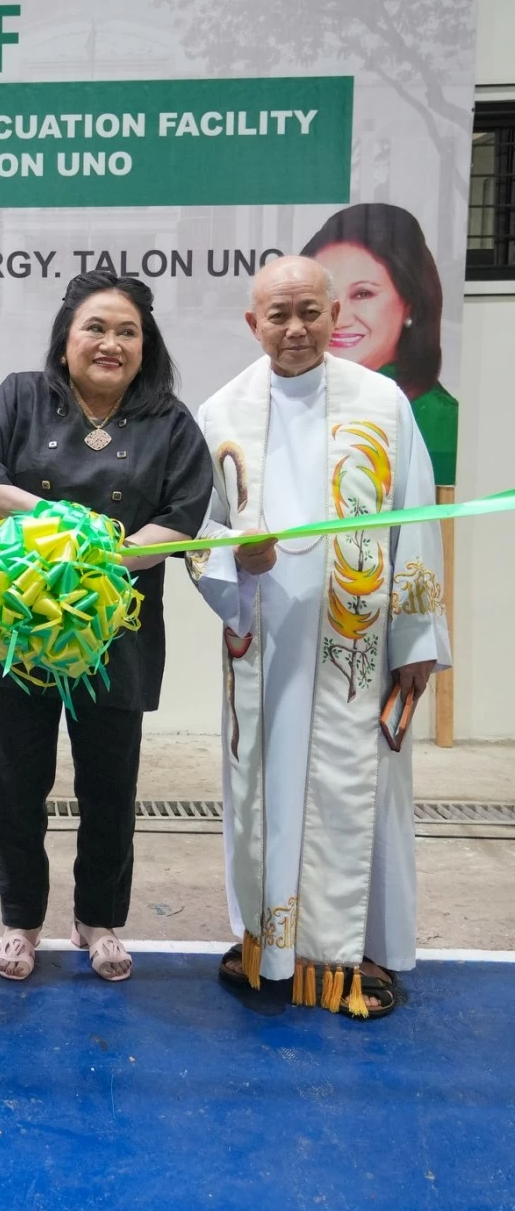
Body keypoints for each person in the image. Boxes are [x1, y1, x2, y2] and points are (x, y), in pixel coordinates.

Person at [190, 256, 451, 1019]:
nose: (295, 328)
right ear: (252, 323)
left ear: (335, 316)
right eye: (279, 314)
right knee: (260, 792)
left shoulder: (382, 403)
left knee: (363, 794)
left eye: (310, 311)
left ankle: (361, 954)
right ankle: (267, 947)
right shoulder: (221, 412)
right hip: (265, 641)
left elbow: (416, 520)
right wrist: (236, 564)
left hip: (356, 651)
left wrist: (416, 636)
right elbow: (196, 532)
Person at [0, 273, 212, 984]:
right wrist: (66, 530)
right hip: (17, 627)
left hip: (113, 632)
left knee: (109, 786)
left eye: (127, 331)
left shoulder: (170, 421)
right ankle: (20, 919)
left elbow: (182, 517)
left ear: (145, 345)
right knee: (16, 780)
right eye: (96, 327)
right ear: (66, 339)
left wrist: (94, 560)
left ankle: (99, 918)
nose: (110, 343)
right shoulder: (21, 396)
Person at [300, 203, 458, 486]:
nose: (339, 316)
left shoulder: (435, 418)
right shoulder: (298, 398)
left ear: (410, 302)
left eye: (363, 294)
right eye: (327, 296)